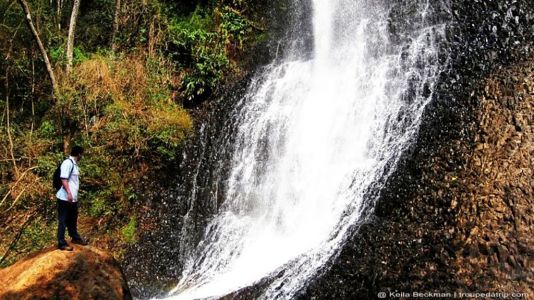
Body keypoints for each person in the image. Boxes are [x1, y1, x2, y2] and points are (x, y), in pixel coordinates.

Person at [56, 145, 88, 251]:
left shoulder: (74, 164)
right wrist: (69, 193)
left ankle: (75, 238)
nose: (81, 156)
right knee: (63, 220)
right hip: (65, 198)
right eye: (81, 154)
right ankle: (61, 243)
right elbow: (63, 179)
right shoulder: (67, 163)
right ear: (79, 154)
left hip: (72, 198)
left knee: (73, 219)